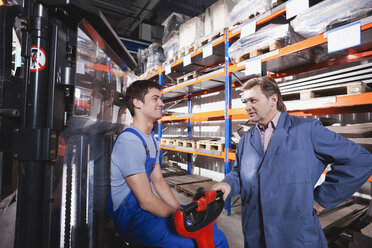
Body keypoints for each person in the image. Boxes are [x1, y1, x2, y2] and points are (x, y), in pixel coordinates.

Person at [211, 77, 372, 248]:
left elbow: (360, 160)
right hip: (255, 232)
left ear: (273, 100)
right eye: (245, 101)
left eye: (253, 100)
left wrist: (323, 199)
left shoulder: (307, 130)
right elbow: (239, 173)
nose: (247, 106)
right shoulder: (246, 140)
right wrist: (228, 184)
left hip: (294, 234)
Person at [107, 80, 228, 248]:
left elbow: (159, 181)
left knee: (211, 230)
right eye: (155, 98)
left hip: (142, 211)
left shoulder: (150, 139)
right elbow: (146, 201)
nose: (161, 103)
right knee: (200, 242)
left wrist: (179, 209)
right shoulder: (130, 141)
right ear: (137, 103)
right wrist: (180, 216)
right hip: (131, 217)